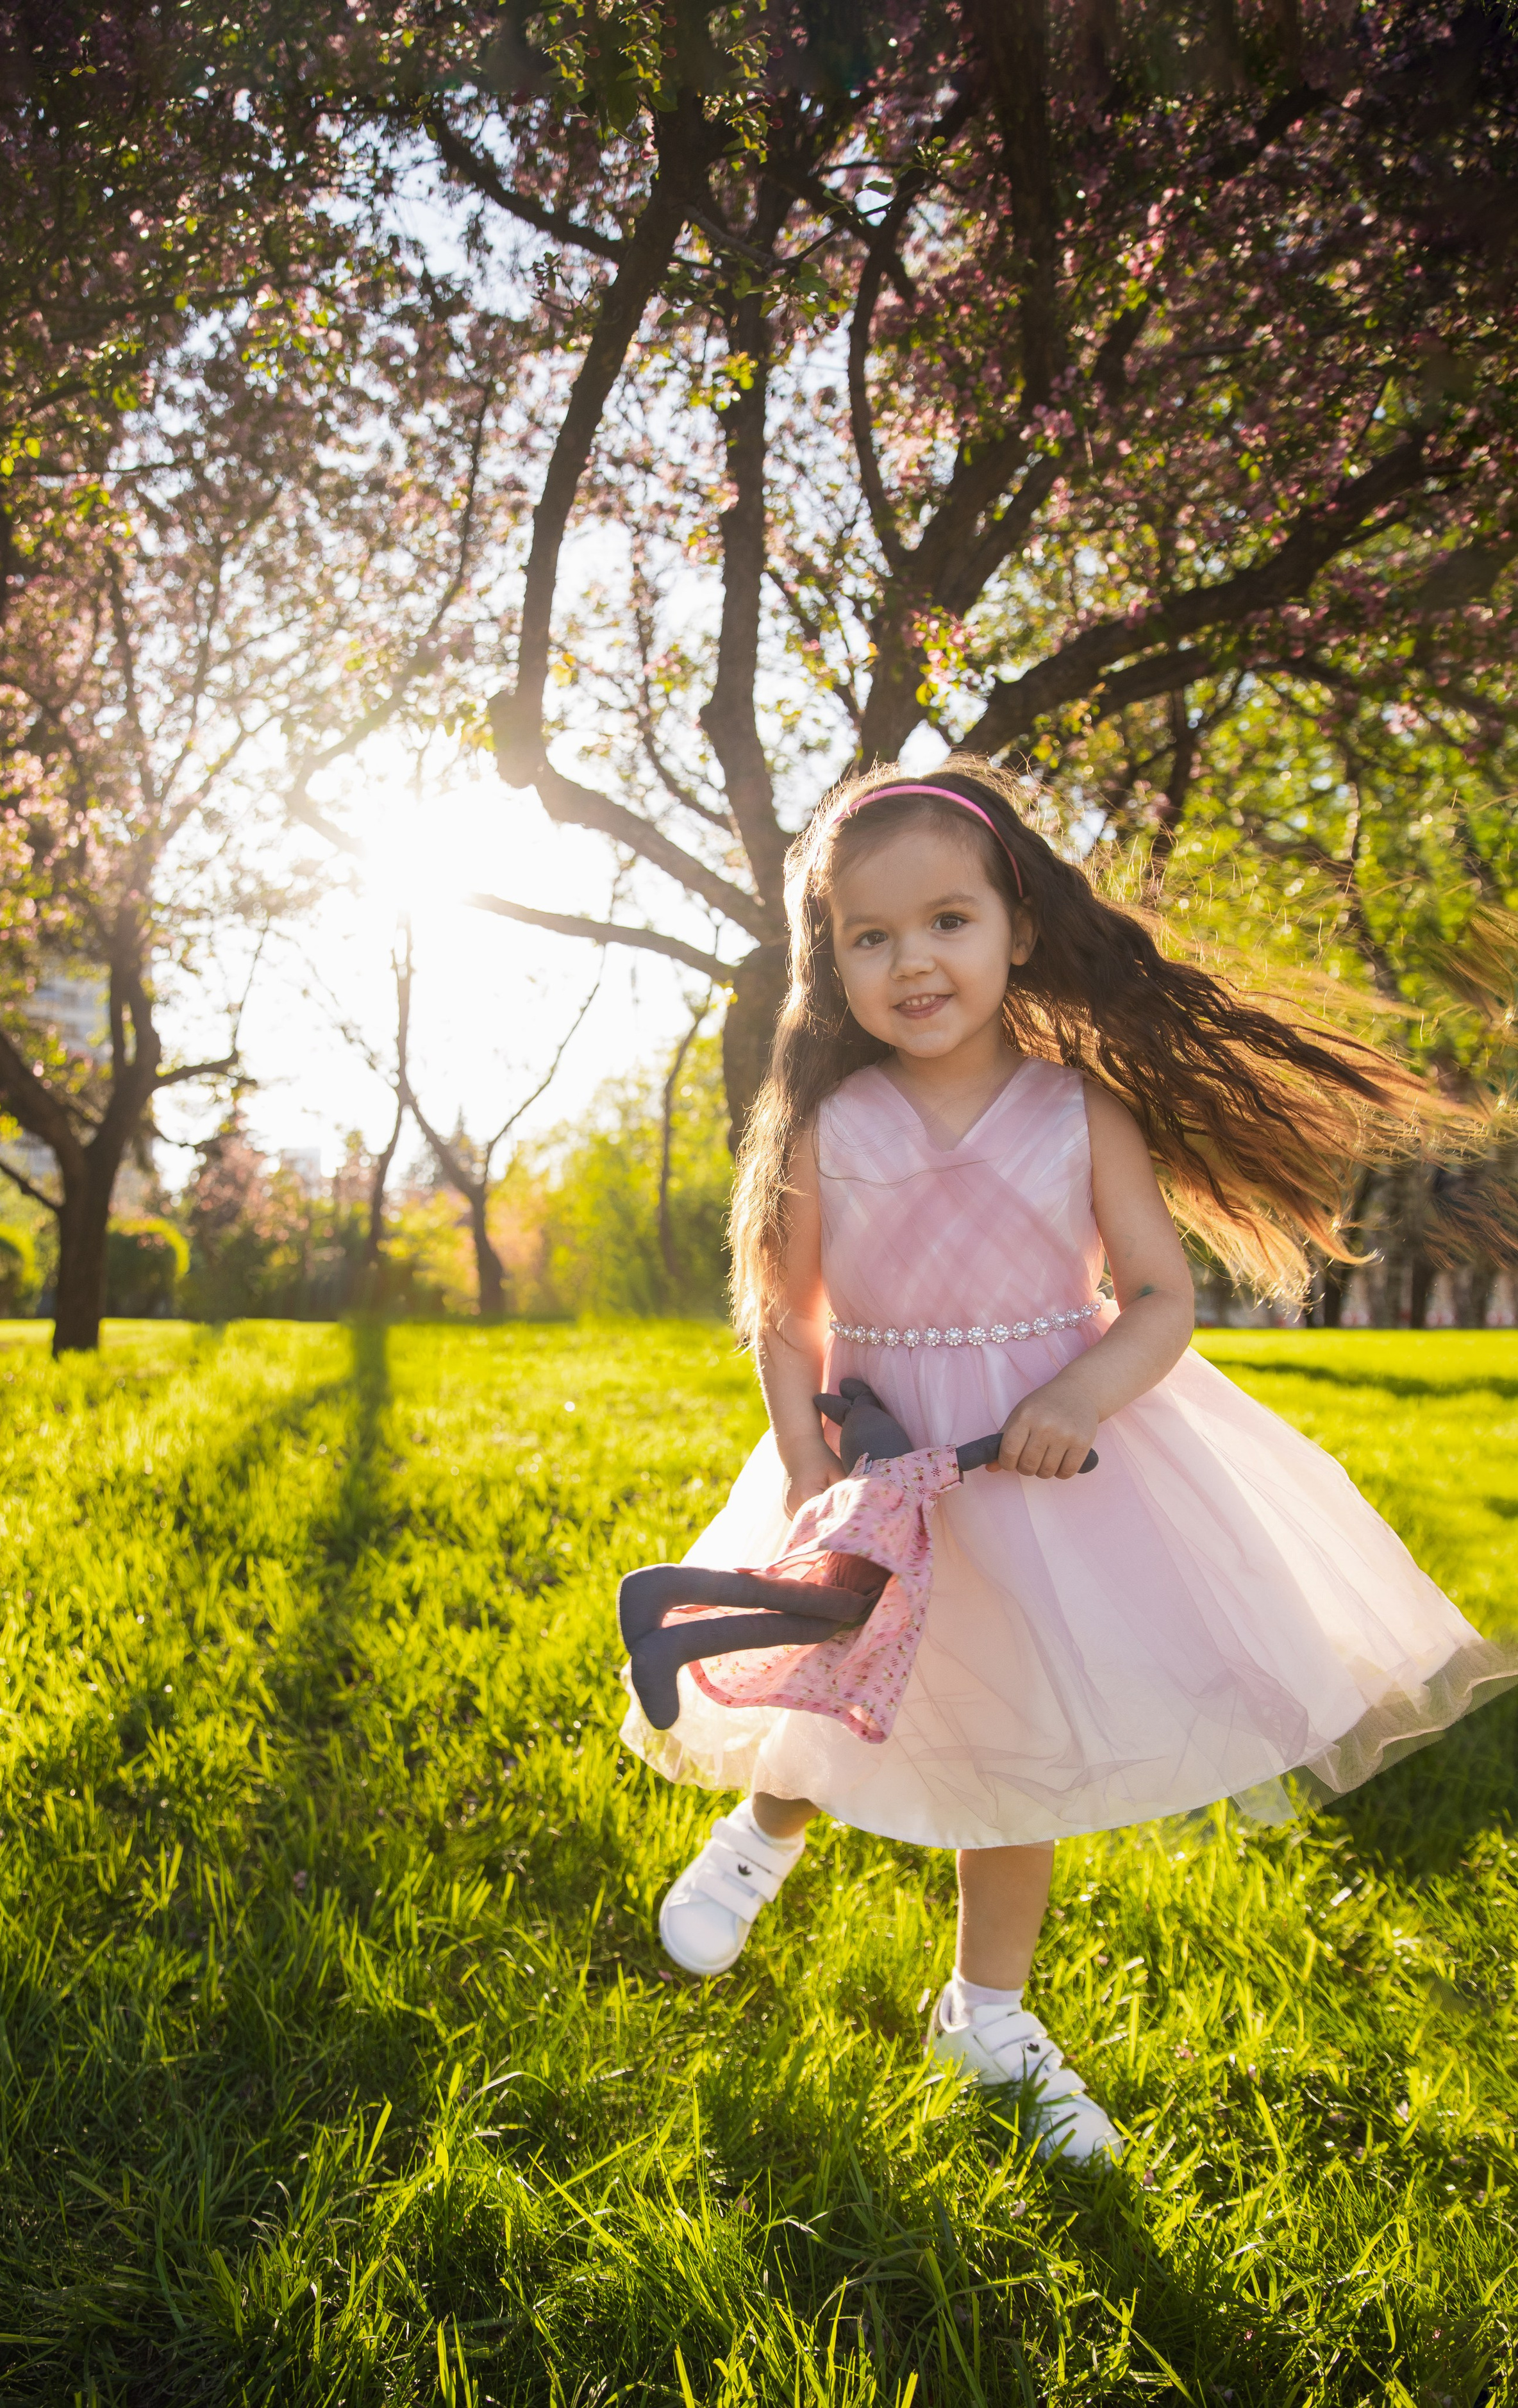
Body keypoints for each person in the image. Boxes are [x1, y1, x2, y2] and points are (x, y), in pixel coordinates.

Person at [619, 756, 1515, 2166]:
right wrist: (803, 1471)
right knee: (835, 1665)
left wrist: (1085, 1394)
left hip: (1042, 1475)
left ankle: (985, 2009)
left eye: (946, 921)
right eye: (869, 936)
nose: (912, 959)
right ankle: (758, 1838)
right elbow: (783, 1317)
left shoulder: (1076, 1109)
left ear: (1016, 926)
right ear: (830, 960)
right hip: (882, 1462)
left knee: (1014, 1740)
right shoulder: (825, 1126)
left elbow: (1160, 1298)